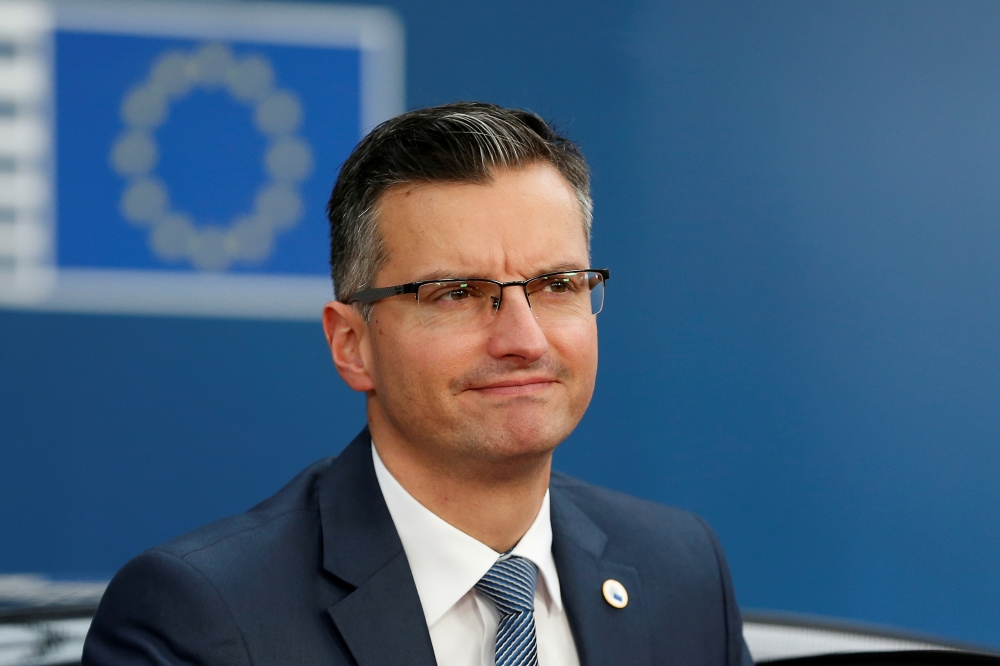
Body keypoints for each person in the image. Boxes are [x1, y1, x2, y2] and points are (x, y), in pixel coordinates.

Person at [83, 102, 754, 666]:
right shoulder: (204, 616)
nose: (523, 339)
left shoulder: (679, 570)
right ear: (353, 345)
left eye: (556, 286)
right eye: (457, 293)